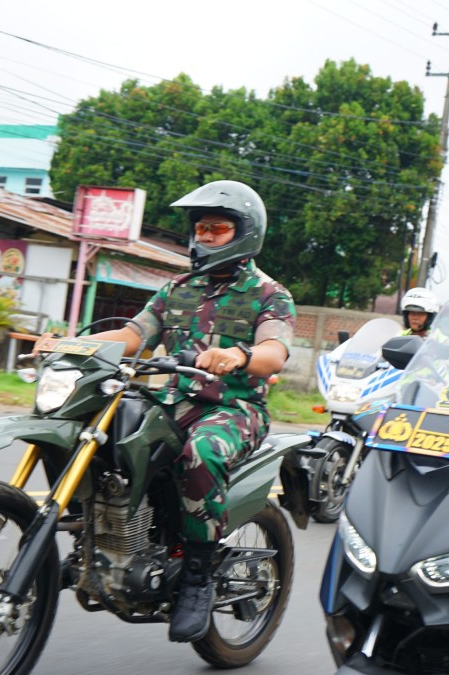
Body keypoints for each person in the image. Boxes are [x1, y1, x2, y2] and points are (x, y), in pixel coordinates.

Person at [76, 180, 295, 643]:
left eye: (217, 227)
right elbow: (134, 336)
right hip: (173, 401)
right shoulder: (178, 287)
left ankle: (197, 574)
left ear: (244, 231)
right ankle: (100, 538)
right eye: (201, 228)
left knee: (202, 451)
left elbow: (274, 351)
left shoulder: (269, 293)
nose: (205, 236)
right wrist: (72, 344)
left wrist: (239, 356)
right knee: (105, 435)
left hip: (234, 407)